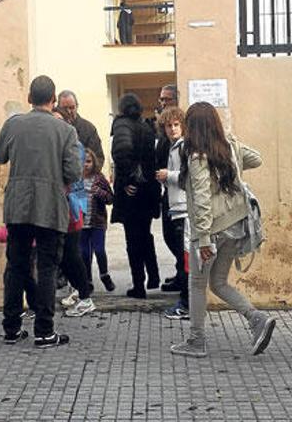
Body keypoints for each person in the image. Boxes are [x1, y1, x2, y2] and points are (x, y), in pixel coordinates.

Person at [170, 102, 276, 358]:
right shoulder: (226, 148)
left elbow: (203, 198)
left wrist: (204, 239)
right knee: (217, 282)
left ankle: (196, 341)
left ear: (192, 127)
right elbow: (256, 158)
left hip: (211, 232)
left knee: (197, 283)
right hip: (234, 226)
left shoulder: (197, 157)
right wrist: (231, 141)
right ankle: (256, 318)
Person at [0, 75, 82, 348]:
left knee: (16, 265)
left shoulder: (13, 124)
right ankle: (44, 331)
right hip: (50, 207)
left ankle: (11, 328)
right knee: (47, 267)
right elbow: (74, 172)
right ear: (53, 100)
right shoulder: (65, 131)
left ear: (29, 98)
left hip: (17, 206)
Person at [110, 93, 162, 298]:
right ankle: (154, 275)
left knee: (133, 239)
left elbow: (122, 151)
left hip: (133, 194)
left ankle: (139, 285)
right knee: (145, 234)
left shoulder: (122, 125)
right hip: (149, 190)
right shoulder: (146, 126)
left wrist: (129, 180)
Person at [52, 107, 97, 318]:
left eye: (59, 120)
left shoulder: (73, 145)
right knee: (64, 256)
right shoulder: (57, 144)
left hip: (71, 206)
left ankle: (85, 296)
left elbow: (72, 174)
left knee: (71, 254)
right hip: (60, 206)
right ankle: (79, 293)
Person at [155, 107, 189, 319]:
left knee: (185, 258)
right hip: (174, 205)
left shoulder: (184, 147)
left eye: (176, 125)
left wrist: (169, 175)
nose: (173, 129)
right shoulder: (171, 147)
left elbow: (189, 176)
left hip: (183, 208)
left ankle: (186, 303)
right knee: (177, 249)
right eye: (169, 125)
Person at [80, 147, 115, 292]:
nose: (85, 165)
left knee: (99, 250)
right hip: (81, 224)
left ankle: (104, 274)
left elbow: (110, 198)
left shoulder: (99, 178)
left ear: (93, 163)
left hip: (97, 222)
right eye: (82, 161)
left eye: (88, 161)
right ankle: (87, 280)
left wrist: (99, 192)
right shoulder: (76, 179)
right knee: (84, 253)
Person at [58, 90, 105, 166]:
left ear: (77, 106)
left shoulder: (89, 129)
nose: (69, 111)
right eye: (64, 108)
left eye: (72, 108)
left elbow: (98, 158)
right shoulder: (54, 129)